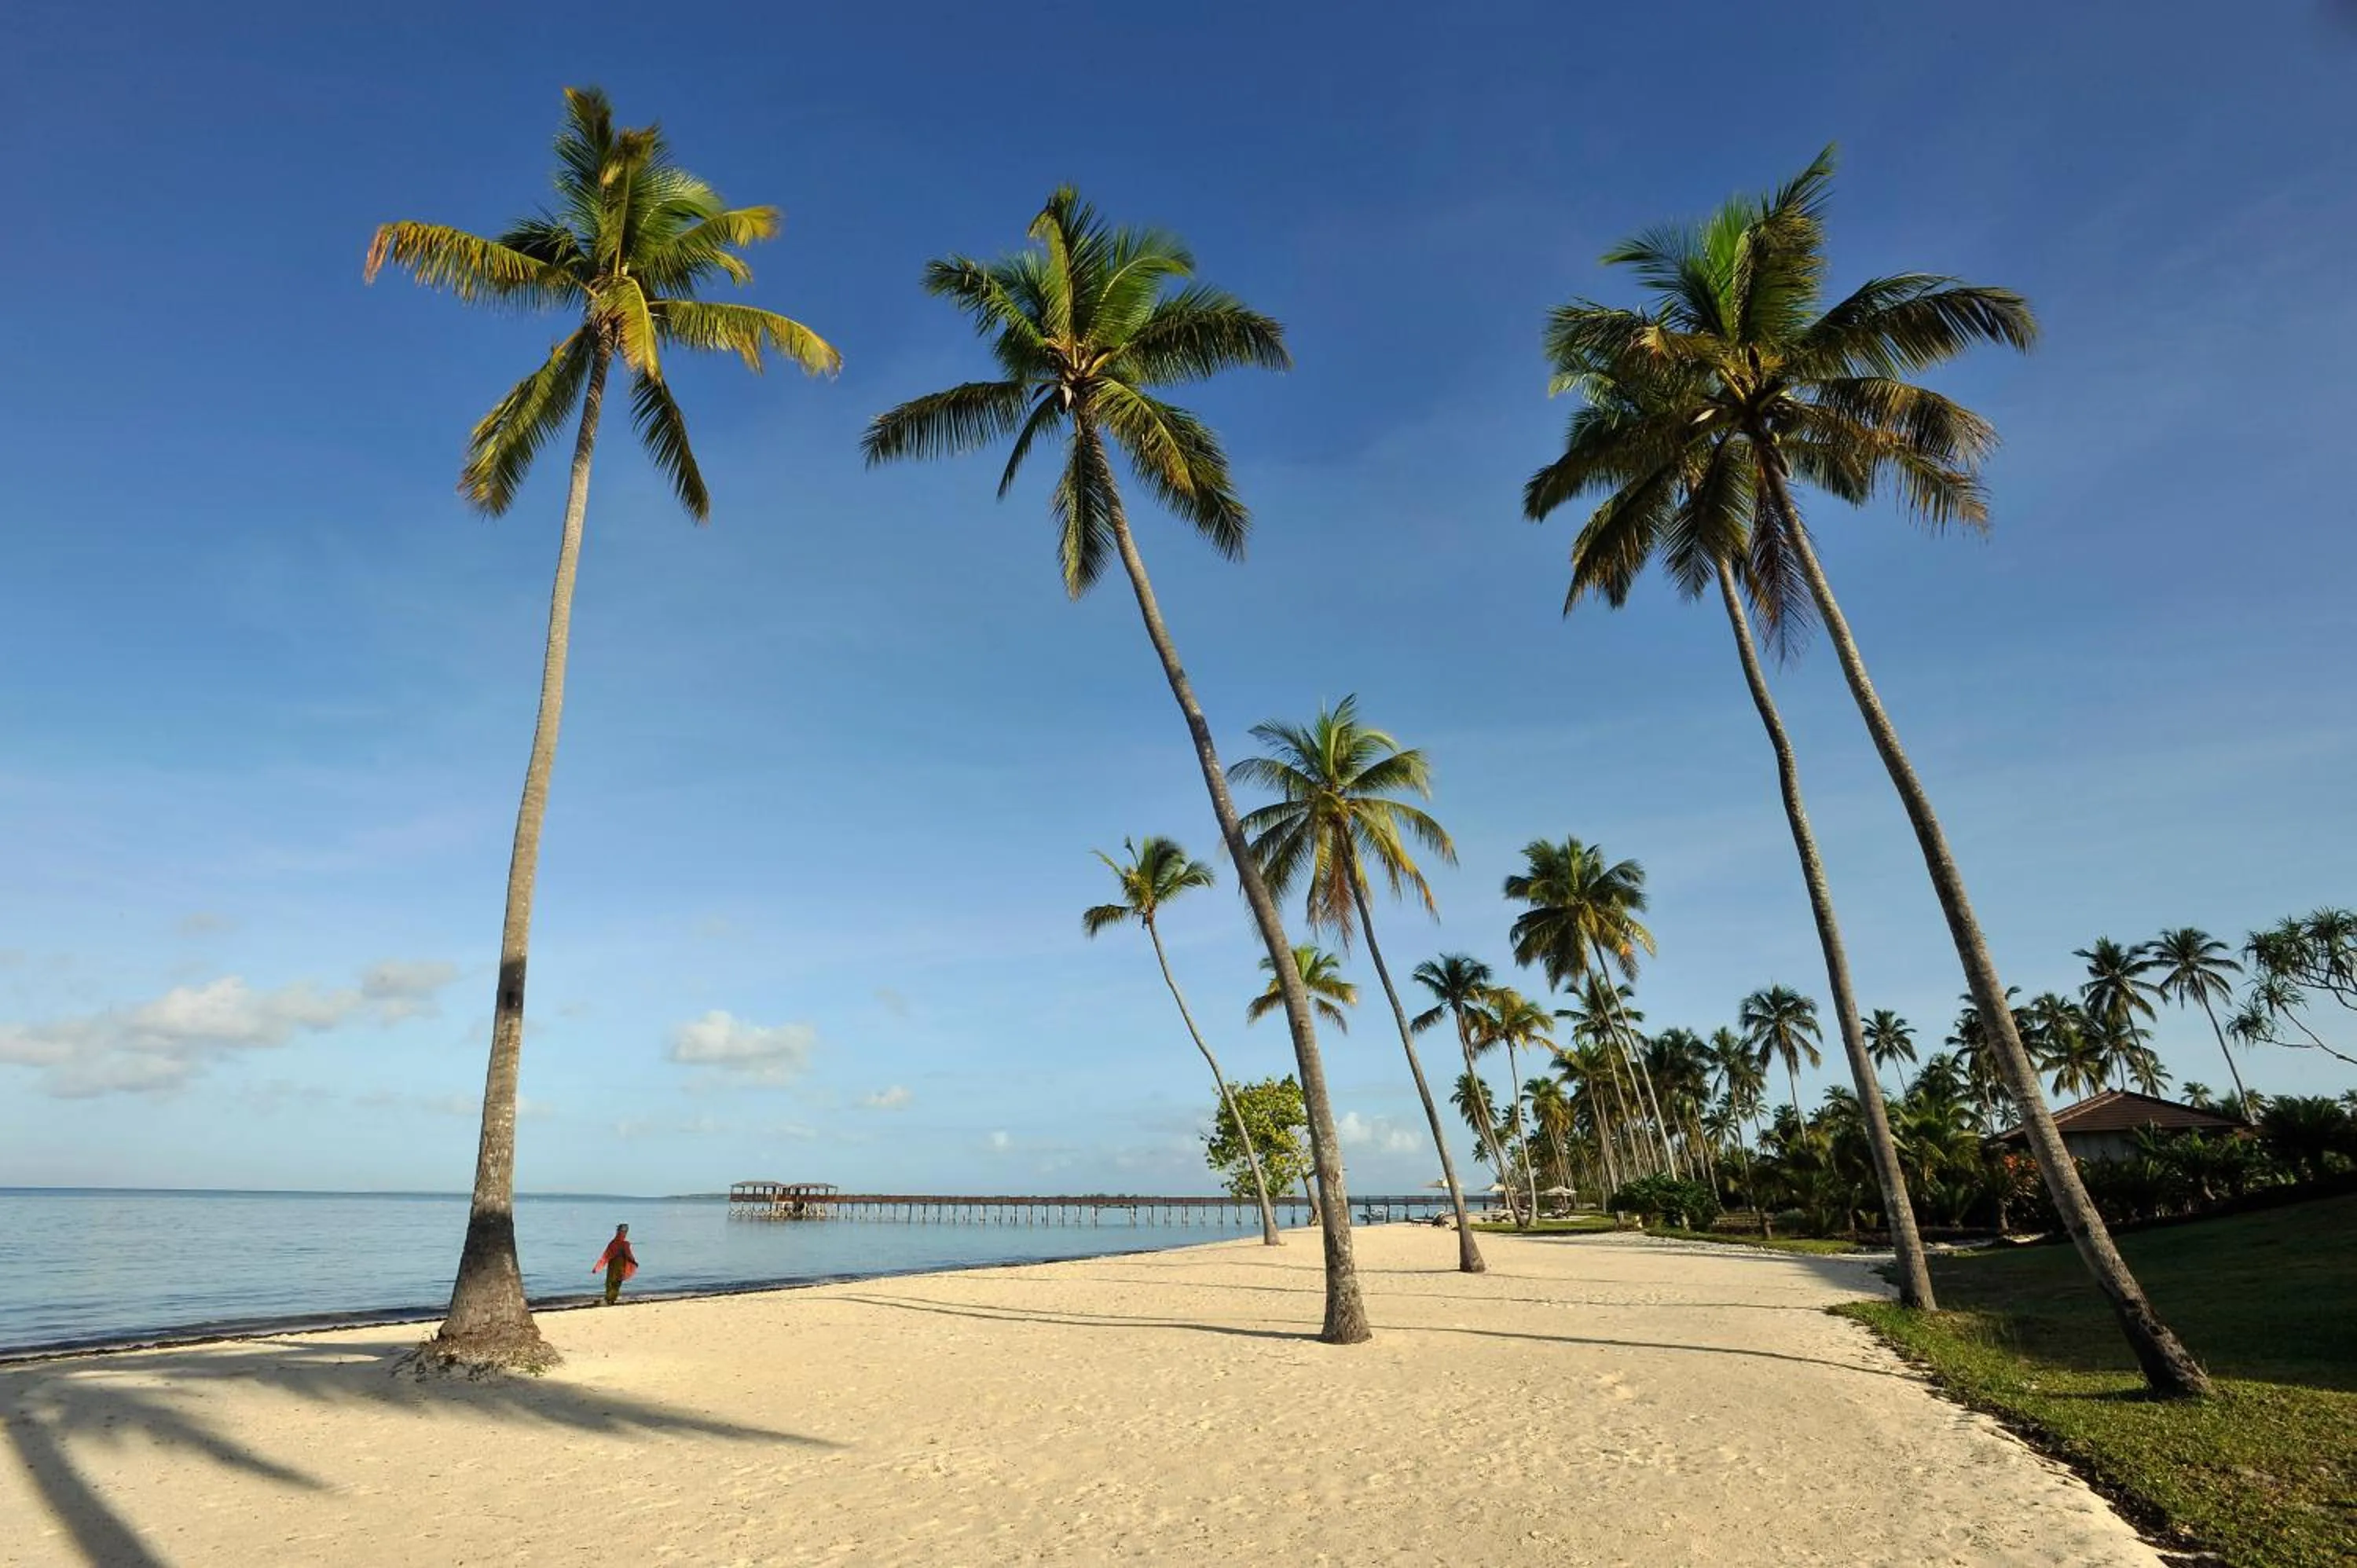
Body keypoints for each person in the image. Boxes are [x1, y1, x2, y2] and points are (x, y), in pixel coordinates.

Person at [592, 1223, 638, 1306]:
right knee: (613, 1283)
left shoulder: (622, 1244)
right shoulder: (620, 1244)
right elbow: (606, 1256)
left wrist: (633, 1262)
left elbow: (606, 1256)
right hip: (615, 1266)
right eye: (622, 1231)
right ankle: (610, 1300)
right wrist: (598, 1267)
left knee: (613, 1283)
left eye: (624, 1231)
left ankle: (608, 1300)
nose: (623, 1233)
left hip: (617, 1266)